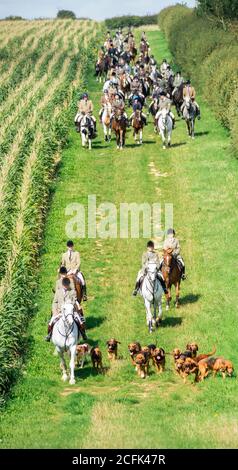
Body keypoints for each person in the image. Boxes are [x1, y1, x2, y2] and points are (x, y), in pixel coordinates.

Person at [45, 277, 87, 342]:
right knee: (51, 322)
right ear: (62, 285)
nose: (66, 287)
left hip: (70, 311)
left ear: (69, 285)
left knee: (79, 321)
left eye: (67, 286)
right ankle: (49, 335)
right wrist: (55, 311)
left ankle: (83, 333)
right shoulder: (58, 292)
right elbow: (54, 302)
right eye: (65, 286)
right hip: (59, 311)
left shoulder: (72, 291)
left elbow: (75, 300)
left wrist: (69, 304)